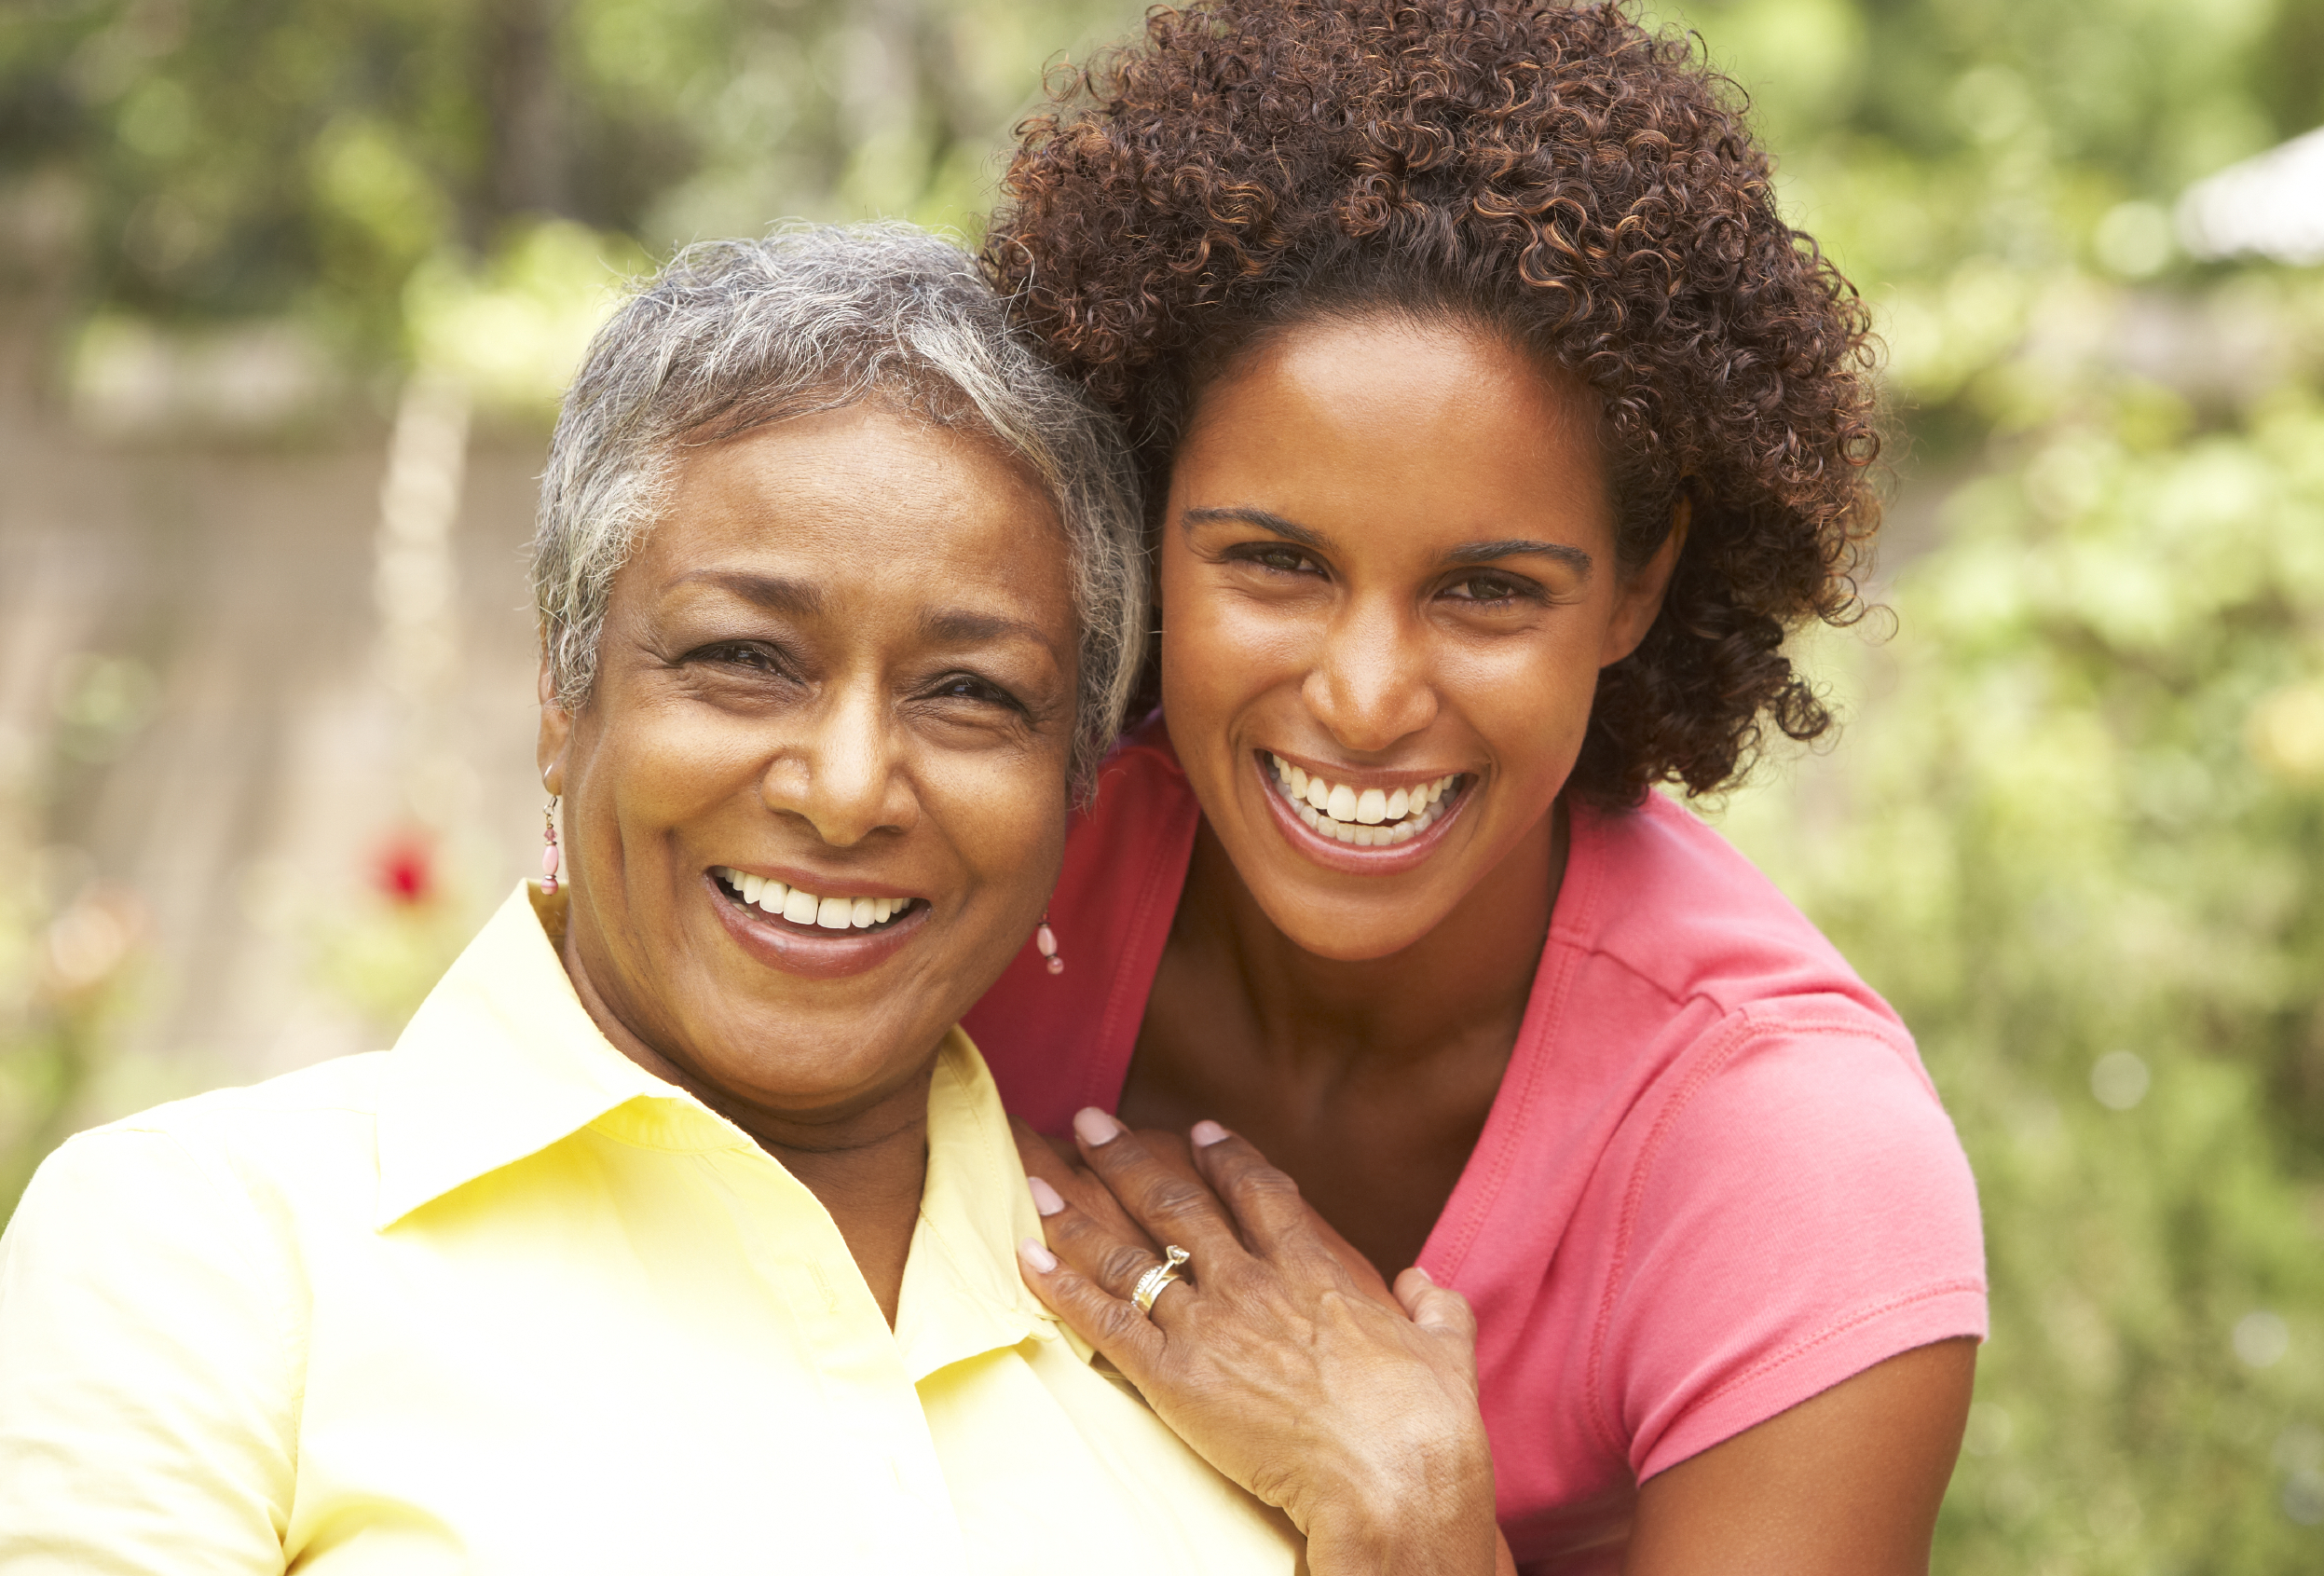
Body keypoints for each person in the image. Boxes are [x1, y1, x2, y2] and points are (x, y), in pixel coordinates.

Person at [0, 227, 1489, 1573]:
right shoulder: (211, 1259)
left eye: (970, 692)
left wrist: (1422, 1525)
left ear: (1077, 782)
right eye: (741, 657)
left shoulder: (1235, 1354)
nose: (847, 787)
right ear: (561, 692)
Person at [962, 0, 1989, 1576]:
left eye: (1488, 590)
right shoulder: (990, 869)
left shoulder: (1791, 1160)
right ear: (1145, 524)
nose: (1367, 697)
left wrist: (1415, 1510)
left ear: (1640, 584)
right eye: (1275, 563)